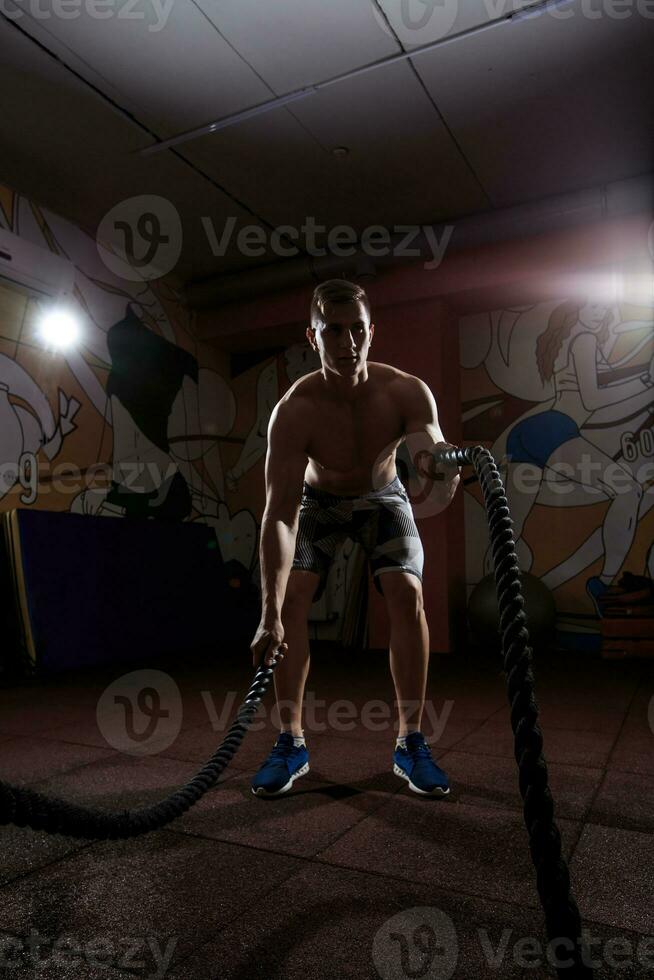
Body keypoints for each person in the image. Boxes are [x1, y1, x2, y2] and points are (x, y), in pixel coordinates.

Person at [249, 279, 460, 798]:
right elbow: (278, 513)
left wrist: (439, 466)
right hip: (317, 503)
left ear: (372, 332)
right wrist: (268, 613)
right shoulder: (295, 410)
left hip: (382, 495)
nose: (347, 344)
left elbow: (435, 451)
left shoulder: (406, 391)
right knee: (291, 599)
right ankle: (290, 741)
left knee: (408, 595)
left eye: (357, 331)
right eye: (333, 332)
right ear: (312, 336)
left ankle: (411, 742)